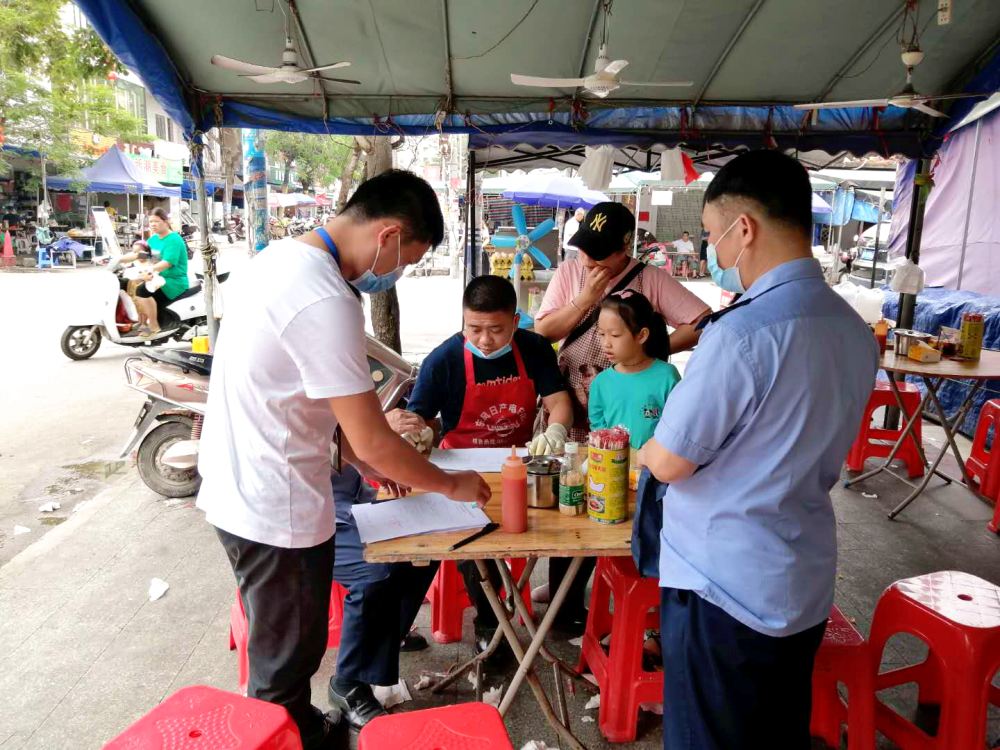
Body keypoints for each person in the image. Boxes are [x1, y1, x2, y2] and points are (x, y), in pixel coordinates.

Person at [197, 169, 491, 750]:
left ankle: (304, 729)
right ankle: (282, 736)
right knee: (285, 665)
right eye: (408, 258)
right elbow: (376, 438)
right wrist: (452, 485)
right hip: (277, 506)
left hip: (238, 489)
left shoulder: (277, 260)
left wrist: (362, 462)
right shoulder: (326, 297)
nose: (398, 272)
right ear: (389, 235)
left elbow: (314, 403)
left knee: (285, 650)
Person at [637, 150, 879, 749]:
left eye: (712, 237)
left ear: (743, 229)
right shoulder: (853, 329)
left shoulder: (741, 332)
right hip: (801, 579)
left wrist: (644, 448)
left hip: (722, 585)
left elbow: (671, 460)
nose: (713, 254)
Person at [532, 201, 710, 616]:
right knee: (572, 493)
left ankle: (613, 584)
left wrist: (650, 353)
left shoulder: (649, 278)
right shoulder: (571, 273)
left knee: (617, 497)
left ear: (624, 249)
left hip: (628, 414)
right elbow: (543, 332)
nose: (588, 260)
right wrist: (585, 299)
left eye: (599, 254)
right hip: (572, 405)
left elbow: (702, 321)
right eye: (583, 250)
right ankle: (564, 592)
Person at [385, 274, 573, 655]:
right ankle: (488, 623)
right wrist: (417, 433)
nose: (485, 339)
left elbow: (559, 402)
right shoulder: (443, 360)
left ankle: (536, 614)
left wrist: (556, 429)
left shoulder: (535, 348)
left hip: (518, 464)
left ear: (515, 322)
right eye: (474, 329)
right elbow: (419, 420)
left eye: (496, 330)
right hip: (459, 470)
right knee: (471, 539)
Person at [327, 465, 439, 730]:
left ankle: (386, 638)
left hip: (357, 501)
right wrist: (450, 484)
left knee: (430, 543)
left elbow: (358, 451)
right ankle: (347, 683)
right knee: (376, 572)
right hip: (311, 517)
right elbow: (357, 448)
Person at [588, 290, 681, 460]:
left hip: (654, 468)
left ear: (642, 335)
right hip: (614, 467)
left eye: (615, 335)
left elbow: (678, 427)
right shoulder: (600, 383)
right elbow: (599, 431)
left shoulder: (667, 376)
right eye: (601, 334)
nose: (606, 343)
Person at [134, 208, 189, 338]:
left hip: (173, 281)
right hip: (157, 278)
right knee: (128, 284)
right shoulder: (153, 240)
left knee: (142, 291)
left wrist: (151, 270)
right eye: (151, 222)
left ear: (166, 221)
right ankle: (142, 322)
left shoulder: (174, 239)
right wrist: (120, 260)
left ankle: (154, 325)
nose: (153, 224)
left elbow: (168, 262)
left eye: (156, 221)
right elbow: (141, 254)